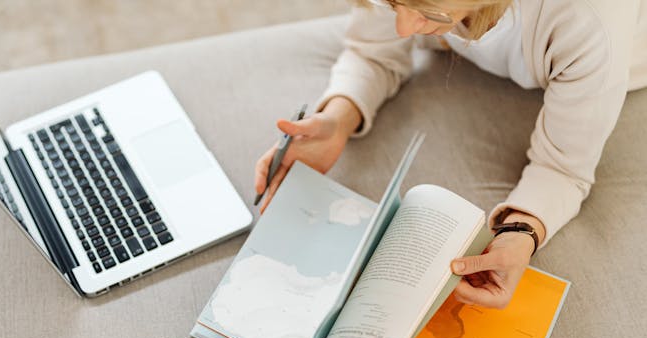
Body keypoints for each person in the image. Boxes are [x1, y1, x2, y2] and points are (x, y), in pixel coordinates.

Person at [253, 0, 647, 309]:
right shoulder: (415, 16)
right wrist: (338, 118)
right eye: (391, 3)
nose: (403, 28)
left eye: (427, 10)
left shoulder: (588, 21)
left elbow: (563, 169)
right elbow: (373, 53)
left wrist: (521, 232)